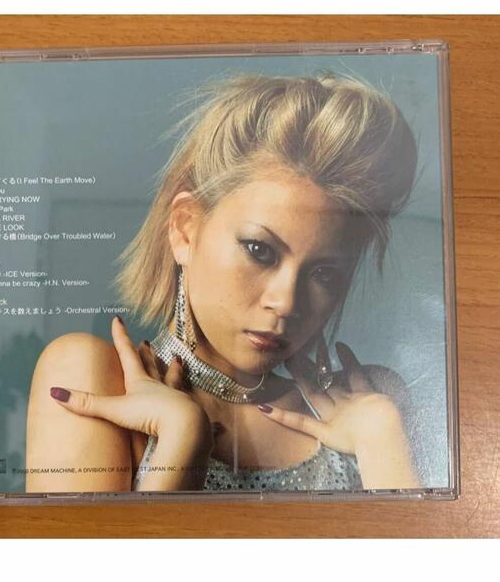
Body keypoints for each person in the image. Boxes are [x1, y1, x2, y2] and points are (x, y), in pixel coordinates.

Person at [25, 73, 420, 493]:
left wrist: (383, 446)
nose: (286, 302)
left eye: (323, 273)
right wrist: (182, 443)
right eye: (259, 250)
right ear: (185, 229)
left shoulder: (374, 407)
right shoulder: (93, 378)